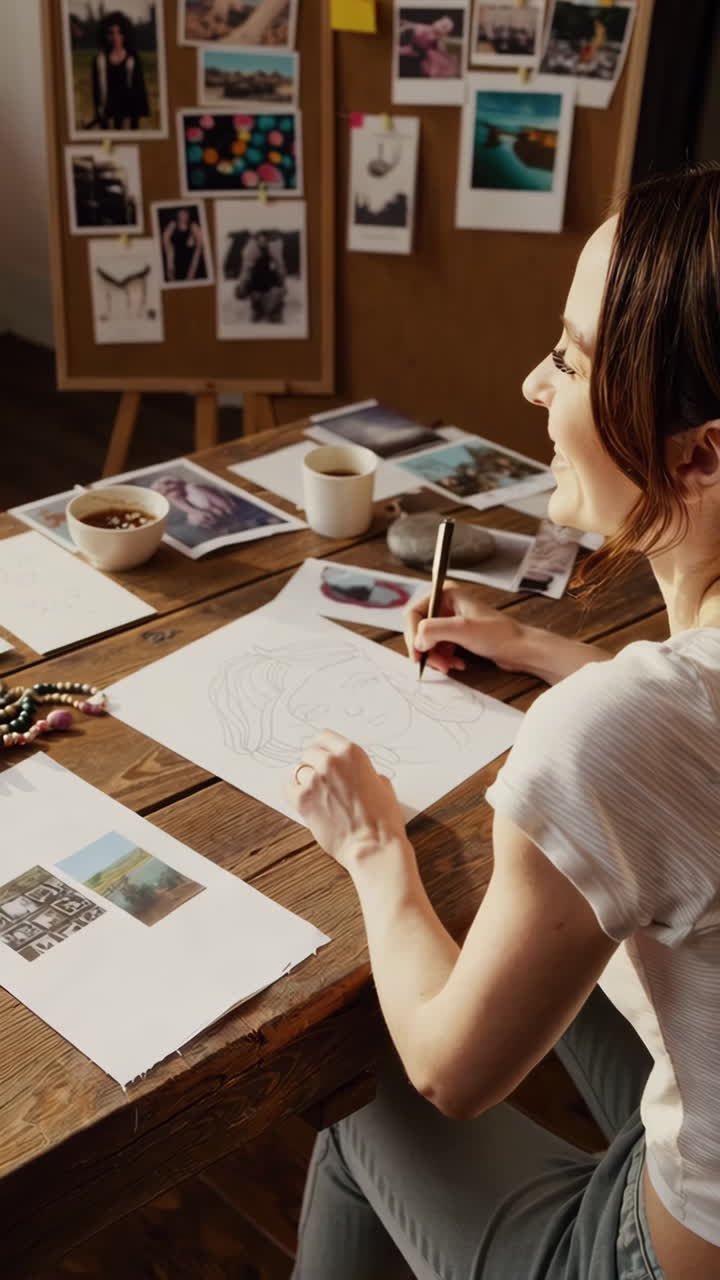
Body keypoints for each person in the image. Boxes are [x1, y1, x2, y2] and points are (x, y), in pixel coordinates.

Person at [286, 165, 720, 1280]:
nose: (533, 383)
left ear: (700, 454)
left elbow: (450, 1068)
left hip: (661, 1253)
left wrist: (373, 842)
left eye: (570, 358)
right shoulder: (651, 704)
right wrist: (546, 651)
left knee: (366, 1090)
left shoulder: (609, 730)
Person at [91, 11, 149, 132]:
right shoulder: (99, 60)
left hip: (129, 116)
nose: (115, 37)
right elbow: (96, 91)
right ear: (105, 35)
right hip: (108, 116)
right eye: (111, 33)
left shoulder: (132, 59)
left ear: (125, 34)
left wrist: (137, 115)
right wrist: (99, 114)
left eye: (119, 32)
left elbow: (139, 89)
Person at [161, 208, 206, 283]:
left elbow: (200, 245)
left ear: (188, 214)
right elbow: (165, 239)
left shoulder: (193, 225)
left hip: (190, 258)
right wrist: (170, 260)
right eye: (181, 214)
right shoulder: (173, 224)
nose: (183, 216)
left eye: (185, 214)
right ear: (177, 215)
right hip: (175, 256)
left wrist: (193, 269)